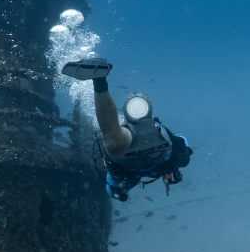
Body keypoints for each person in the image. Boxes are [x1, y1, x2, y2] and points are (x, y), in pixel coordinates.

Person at [61, 58, 193, 202]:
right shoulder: (163, 167)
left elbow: (110, 190)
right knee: (127, 146)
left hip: (133, 153)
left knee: (114, 143)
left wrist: (118, 192)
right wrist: (181, 153)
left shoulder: (131, 177)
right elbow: (181, 140)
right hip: (155, 151)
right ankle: (99, 80)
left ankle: (99, 82)